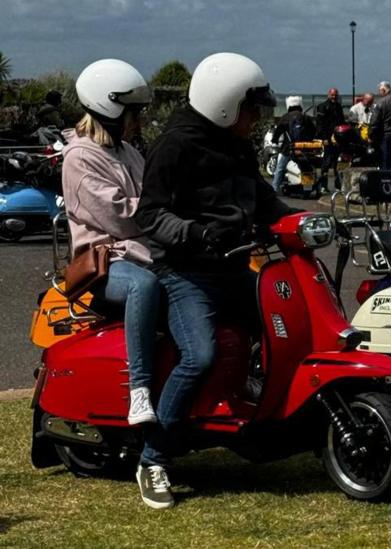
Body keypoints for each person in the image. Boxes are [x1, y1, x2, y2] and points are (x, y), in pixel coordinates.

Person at [134, 52, 298, 509]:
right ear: (226, 105)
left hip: (235, 264)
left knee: (286, 324)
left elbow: (261, 196)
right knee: (200, 353)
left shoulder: (236, 144)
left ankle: (260, 420)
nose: (256, 117)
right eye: (251, 109)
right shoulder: (174, 145)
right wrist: (194, 233)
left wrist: (301, 220)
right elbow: (149, 215)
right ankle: (153, 459)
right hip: (185, 271)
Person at [61, 59, 159, 428]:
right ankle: (139, 390)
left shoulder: (128, 152)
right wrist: (164, 209)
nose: (140, 121)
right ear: (111, 110)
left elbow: (153, 195)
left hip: (144, 252)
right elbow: (118, 216)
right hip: (108, 262)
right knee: (143, 286)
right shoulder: (80, 156)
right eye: (134, 113)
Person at [270, 95, 316, 193]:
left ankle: (274, 188)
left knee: (280, 168)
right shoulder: (305, 117)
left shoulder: (285, 117)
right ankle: (312, 185)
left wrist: (274, 140)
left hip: (288, 148)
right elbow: (313, 130)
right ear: (300, 105)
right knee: (308, 166)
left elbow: (278, 131)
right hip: (304, 148)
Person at [314, 87, 343, 189]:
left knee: (337, 163)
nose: (334, 96)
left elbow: (342, 123)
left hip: (337, 139)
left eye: (335, 95)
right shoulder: (322, 107)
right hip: (327, 138)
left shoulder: (339, 107)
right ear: (328, 95)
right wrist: (324, 138)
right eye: (332, 94)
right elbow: (320, 124)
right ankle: (323, 186)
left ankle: (338, 186)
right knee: (326, 162)